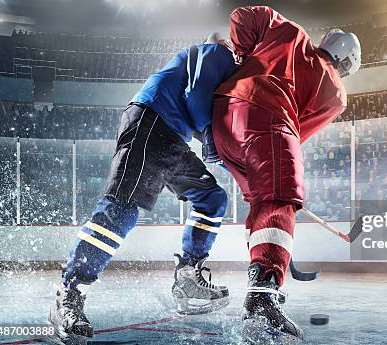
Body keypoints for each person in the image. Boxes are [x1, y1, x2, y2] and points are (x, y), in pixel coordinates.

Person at [49, 34, 236, 343]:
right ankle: (69, 293)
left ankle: (187, 278)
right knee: (121, 209)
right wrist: (210, 136)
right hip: (153, 121)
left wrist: (243, 175)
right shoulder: (217, 51)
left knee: (212, 197)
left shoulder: (223, 64)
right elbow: (198, 95)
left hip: (173, 137)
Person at [212, 6, 361, 343]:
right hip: (268, 122)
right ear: (347, 62)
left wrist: (243, 58)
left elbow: (242, 16)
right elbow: (296, 130)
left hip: (223, 119)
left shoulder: (290, 30)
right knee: (279, 199)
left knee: (262, 207)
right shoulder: (336, 92)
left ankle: (262, 275)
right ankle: (263, 290)